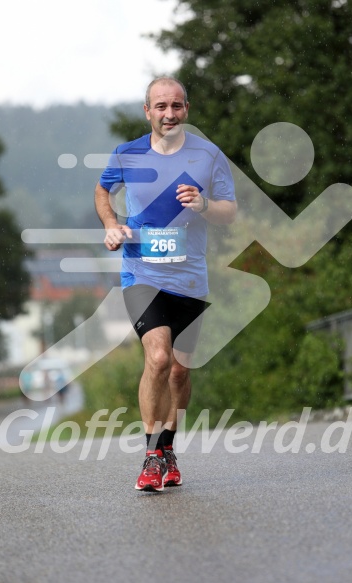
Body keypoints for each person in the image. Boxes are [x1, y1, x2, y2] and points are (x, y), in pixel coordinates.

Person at [95, 76, 237, 492]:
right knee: (157, 359)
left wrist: (206, 205)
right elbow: (103, 191)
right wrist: (111, 224)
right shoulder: (128, 154)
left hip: (190, 278)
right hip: (141, 274)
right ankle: (152, 455)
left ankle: (169, 447)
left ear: (186, 110)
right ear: (148, 111)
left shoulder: (208, 155)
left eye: (176, 106)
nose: (169, 114)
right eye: (161, 107)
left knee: (179, 370)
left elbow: (229, 212)